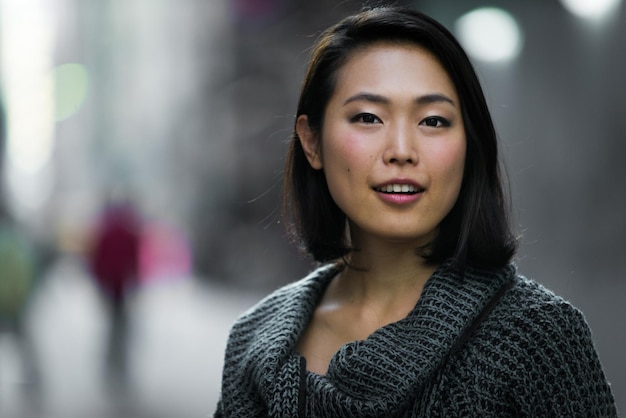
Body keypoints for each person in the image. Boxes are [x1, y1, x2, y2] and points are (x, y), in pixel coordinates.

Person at [215, 5, 617, 417]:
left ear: (470, 145)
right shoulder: (254, 337)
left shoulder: (538, 337)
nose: (402, 152)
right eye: (369, 117)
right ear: (312, 142)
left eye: (434, 121)